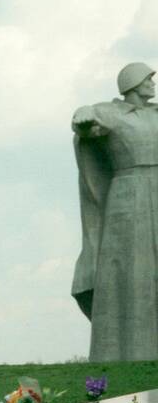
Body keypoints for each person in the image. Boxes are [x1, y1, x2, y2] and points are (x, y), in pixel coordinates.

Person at [71, 62, 158, 361]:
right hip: (128, 195)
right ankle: (127, 352)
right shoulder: (113, 112)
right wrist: (82, 115)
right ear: (132, 83)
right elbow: (86, 120)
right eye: (148, 78)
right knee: (130, 272)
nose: (153, 83)